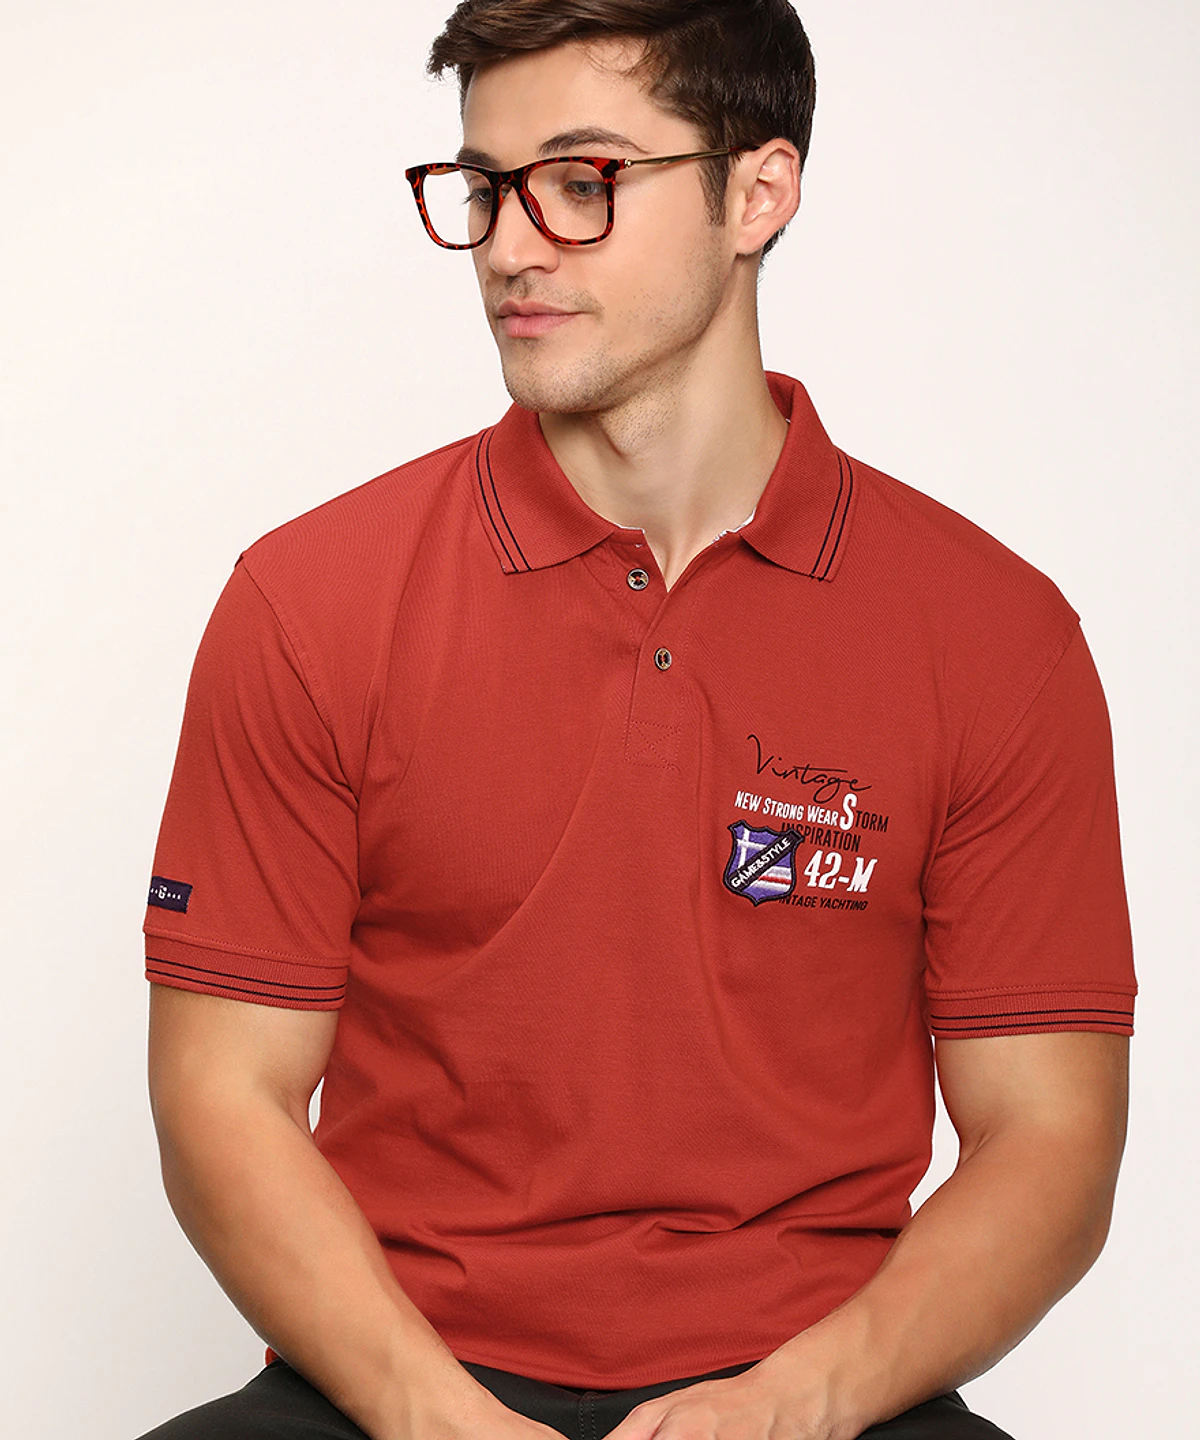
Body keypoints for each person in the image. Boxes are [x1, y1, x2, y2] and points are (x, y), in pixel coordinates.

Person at [136, 3, 1136, 1438]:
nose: (509, 246)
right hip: (398, 1378)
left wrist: (801, 1401)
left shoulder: (994, 637)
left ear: (759, 193)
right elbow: (222, 1092)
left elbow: (1051, 1135)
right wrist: (433, 1415)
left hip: (816, 1385)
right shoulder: (310, 604)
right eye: (485, 186)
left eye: (583, 180)